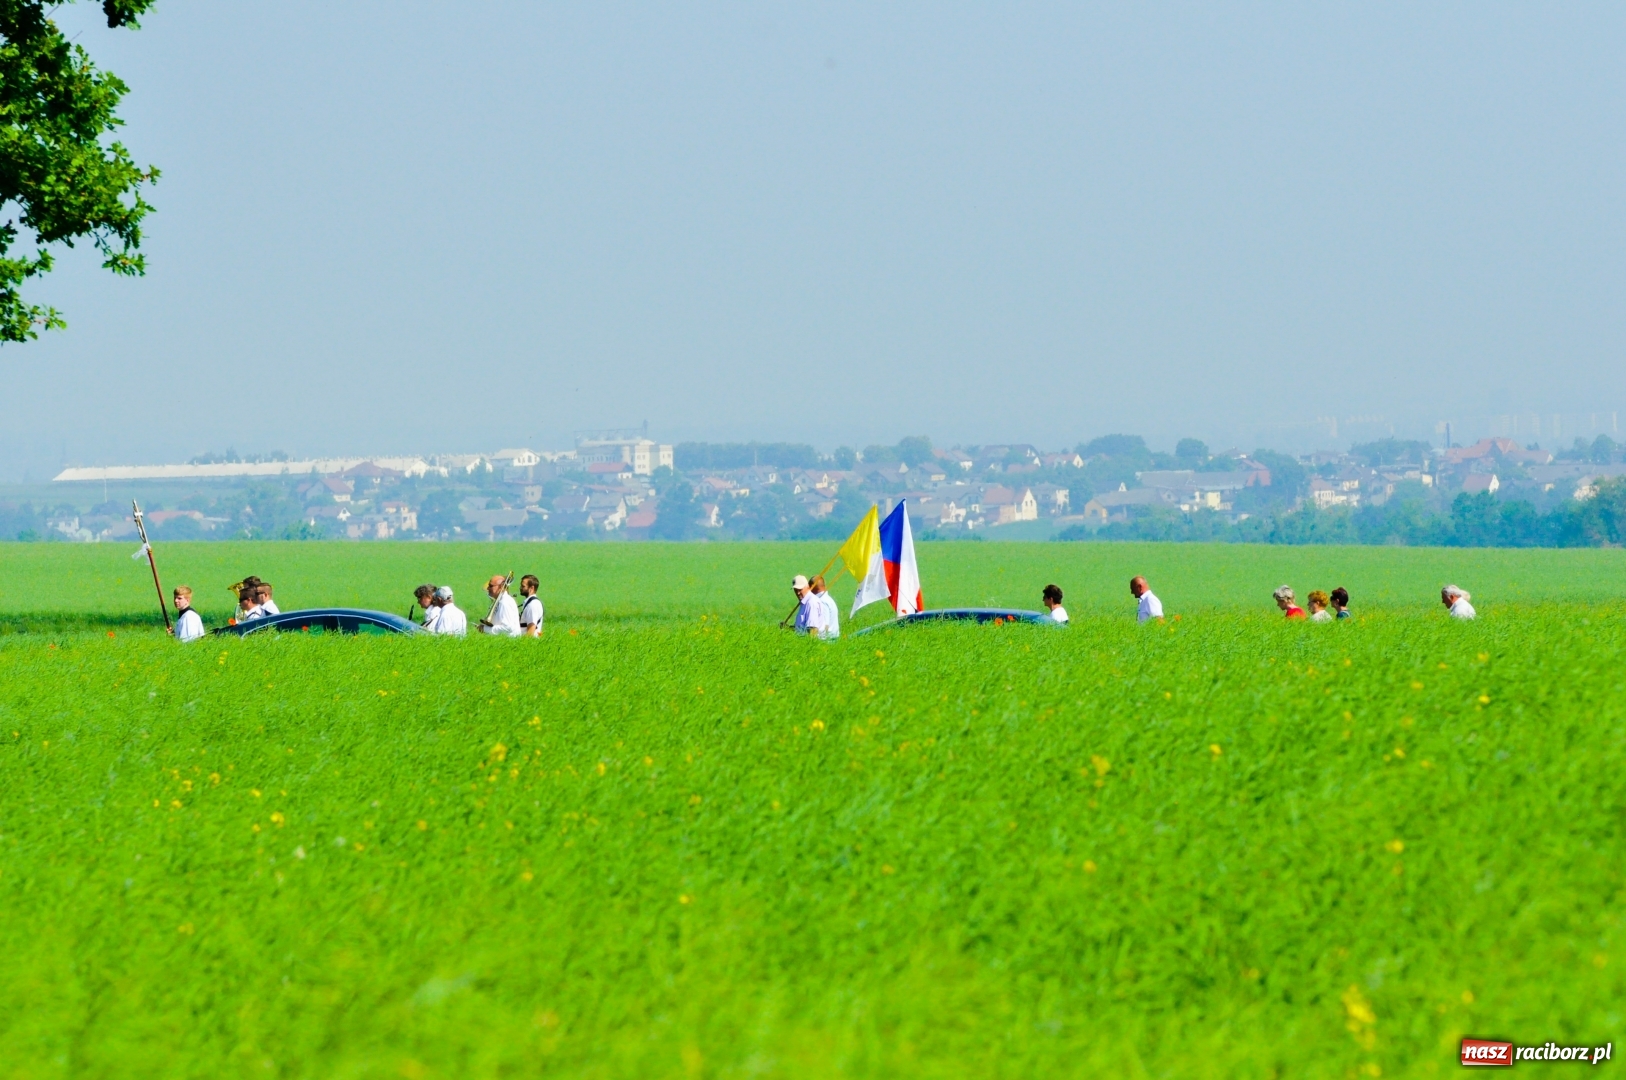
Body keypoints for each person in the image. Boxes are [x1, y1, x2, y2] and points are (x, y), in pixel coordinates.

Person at [808, 574, 840, 639]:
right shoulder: (828, 599)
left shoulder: (821, 602)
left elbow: (825, 626)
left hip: (828, 641)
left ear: (812, 586)